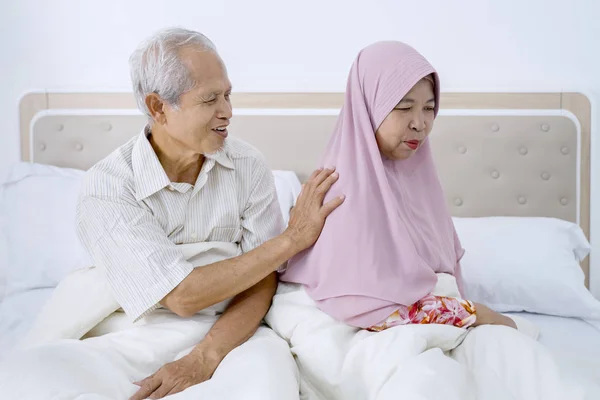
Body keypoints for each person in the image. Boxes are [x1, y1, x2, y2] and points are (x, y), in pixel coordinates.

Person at [0, 28, 344, 400]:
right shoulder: (109, 186)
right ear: (158, 107)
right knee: (27, 380)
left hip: (229, 329)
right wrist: (291, 240)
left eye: (228, 95)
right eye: (210, 99)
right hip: (131, 331)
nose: (227, 112)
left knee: (267, 384)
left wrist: (206, 357)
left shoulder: (248, 165)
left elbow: (262, 281)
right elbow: (180, 296)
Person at [279, 40, 521, 333]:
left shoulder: (420, 183)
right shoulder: (339, 191)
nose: (420, 123)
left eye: (429, 108)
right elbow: (363, 306)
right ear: (368, 107)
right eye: (404, 107)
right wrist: (472, 314)